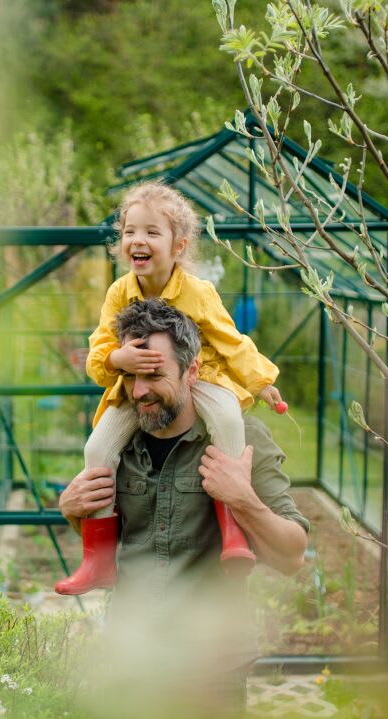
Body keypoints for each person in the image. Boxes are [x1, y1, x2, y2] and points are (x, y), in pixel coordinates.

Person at [58, 300, 308, 714]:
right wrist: (72, 508)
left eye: (154, 375)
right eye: (131, 377)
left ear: (192, 372)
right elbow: (116, 536)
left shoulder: (241, 438)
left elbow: (293, 554)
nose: (139, 391)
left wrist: (242, 500)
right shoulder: (120, 443)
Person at [56, 181, 285, 595]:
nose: (137, 241)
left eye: (151, 232)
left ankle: (232, 531)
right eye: (129, 231)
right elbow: (98, 351)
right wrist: (117, 359)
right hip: (135, 388)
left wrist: (262, 380)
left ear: (178, 245)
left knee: (230, 422)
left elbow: (230, 339)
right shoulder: (118, 293)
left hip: (199, 381)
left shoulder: (198, 293)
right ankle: (98, 559)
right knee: (96, 450)